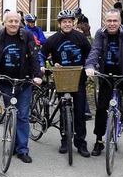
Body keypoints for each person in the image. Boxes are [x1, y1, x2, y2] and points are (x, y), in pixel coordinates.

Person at [84, 8, 123, 161]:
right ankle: (99, 142)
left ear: (120, 22)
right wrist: (90, 66)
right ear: (104, 22)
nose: (112, 24)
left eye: (115, 21)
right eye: (109, 21)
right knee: (101, 109)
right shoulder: (100, 33)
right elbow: (95, 50)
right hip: (107, 75)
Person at [0, 11, 43, 163]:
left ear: (20, 22)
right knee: (11, 112)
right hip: (5, 81)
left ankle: (22, 149)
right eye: (11, 21)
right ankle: (14, 141)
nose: (14, 24)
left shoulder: (26, 35)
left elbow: (34, 57)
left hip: (24, 81)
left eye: (16, 21)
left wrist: (38, 76)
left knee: (22, 115)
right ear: (4, 22)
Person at [39, 10, 92, 157]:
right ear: (59, 24)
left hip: (79, 79)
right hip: (61, 79)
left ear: (73, 23)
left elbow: (91, 55)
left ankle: (81, 143)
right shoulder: (53, 39)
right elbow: (41, 54)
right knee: (63, 110)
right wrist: (42, 65)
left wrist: (90, 66)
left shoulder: (81, 37)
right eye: (64, 22)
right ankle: (64, 140)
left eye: (70, 21)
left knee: (80, 112)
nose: (67, 24)